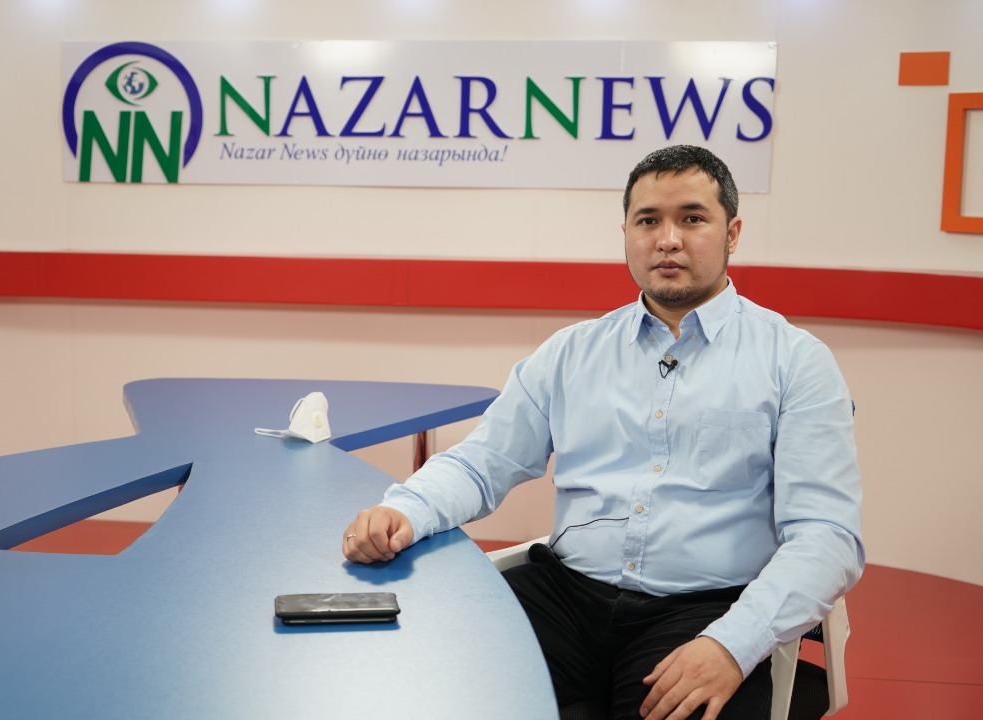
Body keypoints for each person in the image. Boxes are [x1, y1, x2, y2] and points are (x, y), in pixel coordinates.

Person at [342, 145, 864, 720]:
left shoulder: (794, 361)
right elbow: (482, 463)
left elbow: (827, 535)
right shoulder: (572, 352)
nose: (668, 240)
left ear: (732, 233)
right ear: (626, 234)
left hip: (704, 612)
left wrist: (731, 644)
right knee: (417, 683)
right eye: (648, 221)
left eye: (692, 218)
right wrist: (405, 510)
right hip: (565, 597)